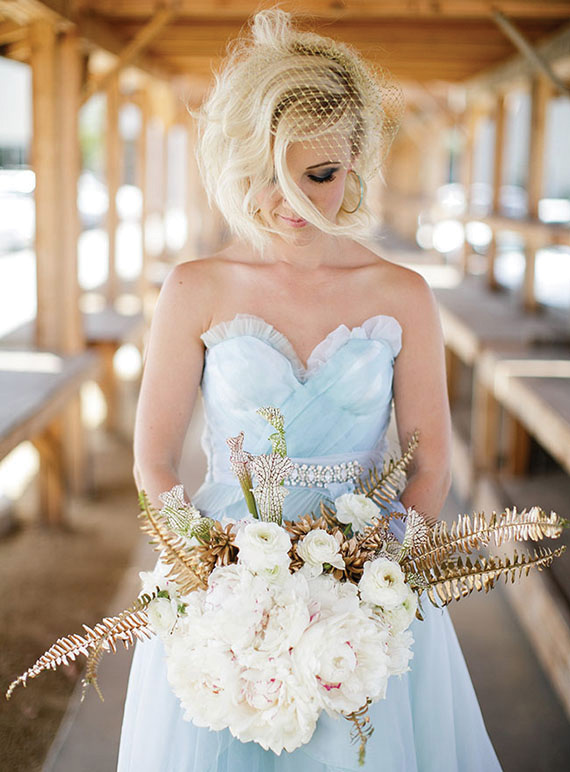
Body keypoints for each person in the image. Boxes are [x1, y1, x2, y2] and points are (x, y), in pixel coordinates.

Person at [118, 10, 502, 771]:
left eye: (318, 176)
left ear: (355, 159)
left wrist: (372, 584)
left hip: (371, 595)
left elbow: (430, 469)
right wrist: (211, 577)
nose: (290, 204)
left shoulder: (402, 293)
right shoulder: (195, 288)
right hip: (225, 597)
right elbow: (153, 461)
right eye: (267, 177)